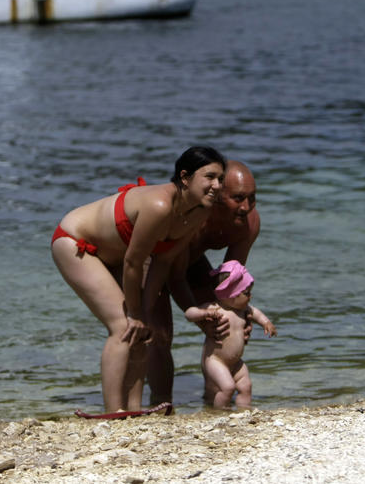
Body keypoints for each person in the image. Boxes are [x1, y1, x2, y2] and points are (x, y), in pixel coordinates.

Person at [51, 146, 226, 412]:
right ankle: (113, 412)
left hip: (116, 257)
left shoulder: (200, 212)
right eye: (209, 177)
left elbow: (163, 262)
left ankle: (133, 409)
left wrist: (144, 311)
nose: (217, 185)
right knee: (123, 325)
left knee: (145, 329)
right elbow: (133, 262)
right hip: (75, 243)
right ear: (185, 177)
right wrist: (134, 312)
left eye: (221, 179)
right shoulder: (159, 205)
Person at [146, 160, 260, 405]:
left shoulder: (248, 223)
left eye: (252, 198)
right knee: (160, 334)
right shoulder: (192, 217)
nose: (246, 207)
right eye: (238, 198)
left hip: (191, 262)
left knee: (224, 327)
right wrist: (199, 316)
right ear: (216, 195)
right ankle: (161, 404)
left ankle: (213, 399)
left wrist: (241, 316)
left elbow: (231, 284)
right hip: (153, 261)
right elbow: (175, 278)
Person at [184, 260, 277, 409]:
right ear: (231, 294)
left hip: (236, 362)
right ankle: (219, 414)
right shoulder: (214, 308)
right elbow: (189, 314)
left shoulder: (244, 309)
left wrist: (266, 323)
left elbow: (257, 314)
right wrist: (203, 313)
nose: (250, 296)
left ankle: (244, 411)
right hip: (216, 361)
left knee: (246, 386)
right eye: (246, 293)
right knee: (227, 388)